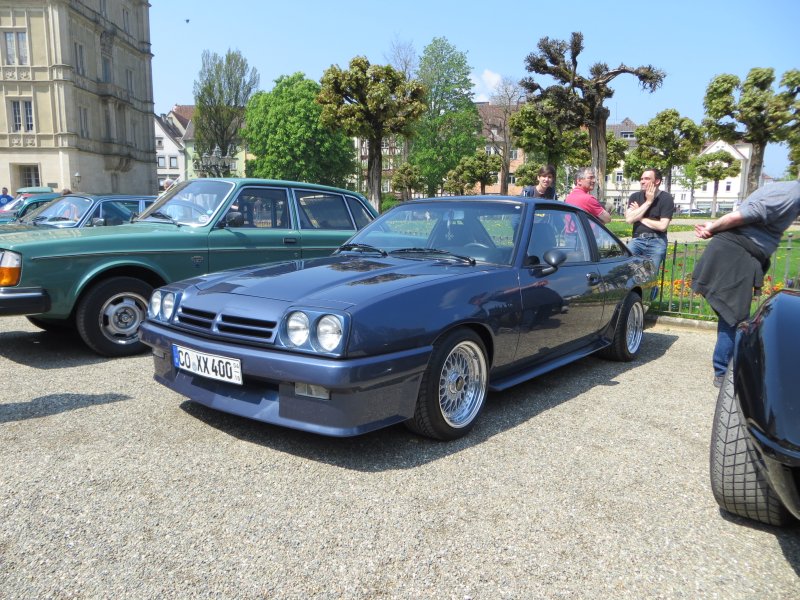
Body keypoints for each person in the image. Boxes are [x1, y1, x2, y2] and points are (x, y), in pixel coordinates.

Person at [691, 180, 800, 387]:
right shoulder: (790, 196)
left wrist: (712, 227)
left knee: (732, 317)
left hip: (736, 253)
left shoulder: (786, 189)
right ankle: (725, 374)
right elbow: (740, 215)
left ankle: (727, 370)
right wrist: (712, 228)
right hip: (735, 255)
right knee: (734, 317)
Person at [625, 168, 675, 273]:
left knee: (650, 276)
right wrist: (648, 201)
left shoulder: (666, 198)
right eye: (641, 178)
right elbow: (629, 219)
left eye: (647, 178)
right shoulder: (635, 196)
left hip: (657, 242)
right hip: (637, 240)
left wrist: (640, 217)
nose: (642, 181)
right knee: (627, 270)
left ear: (657, 181)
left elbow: (662, 226)